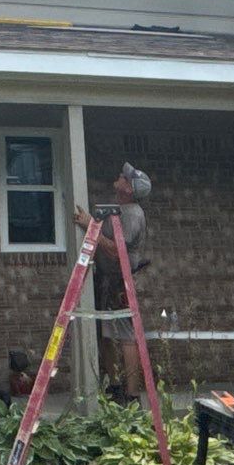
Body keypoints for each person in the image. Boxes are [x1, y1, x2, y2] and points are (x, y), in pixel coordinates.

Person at [73, 162, 152, 397]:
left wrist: (90, 226)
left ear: (129, 189)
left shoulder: (131, 213)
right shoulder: (120, 208)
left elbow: (117, 251)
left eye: (124, 177)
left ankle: (132, 394)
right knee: (106, 332)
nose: (120, 176)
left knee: (127, 335)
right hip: (108, 279)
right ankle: (115, 384)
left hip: (121, 280)